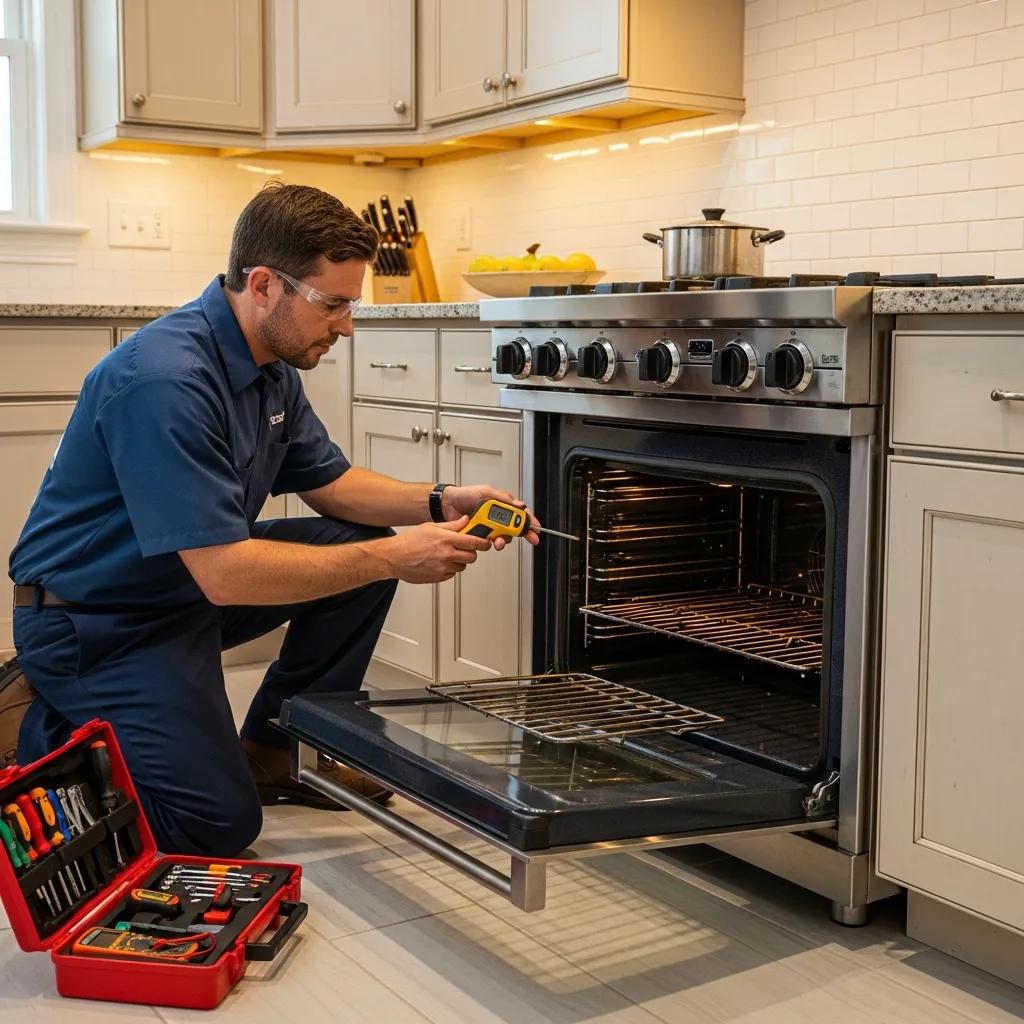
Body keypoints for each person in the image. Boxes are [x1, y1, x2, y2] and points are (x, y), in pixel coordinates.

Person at [3, 181, 539, 857]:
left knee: (357, 544)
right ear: (263, 285)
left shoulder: (272, 367)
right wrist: (396, 557)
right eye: (334, 303)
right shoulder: (164, 379)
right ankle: (37, 724)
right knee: (216, 826)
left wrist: (440, 499)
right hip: (97, 623)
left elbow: (335, 487)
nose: (347, 325)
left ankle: (275, 752)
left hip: (180, 591)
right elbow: (228, 574)